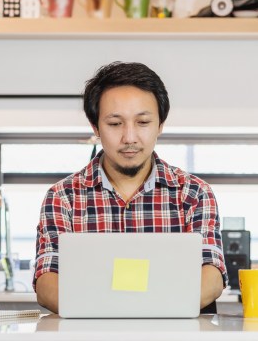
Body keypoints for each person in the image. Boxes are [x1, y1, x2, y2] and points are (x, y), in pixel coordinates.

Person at [33, 61, 227, 314]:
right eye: (115, 124)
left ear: (160, 125)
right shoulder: (63, 196)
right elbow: (47, 284)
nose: (130, 138)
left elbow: (211, 277)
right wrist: (124, 312)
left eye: (143, 122)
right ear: (95, 127)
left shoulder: (193, 193)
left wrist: (137, 311)